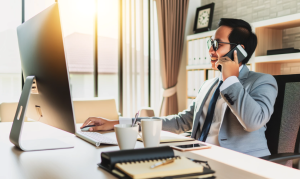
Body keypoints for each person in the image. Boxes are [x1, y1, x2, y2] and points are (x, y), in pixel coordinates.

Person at [81, 18, 278, 157]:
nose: (210, 49)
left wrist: (231, 80)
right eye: (211, 43)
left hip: (241, 162)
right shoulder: (209, 85)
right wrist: (117, 122)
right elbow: (180, 122)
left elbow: (253, 122)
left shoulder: (262, 81)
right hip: (200, 156)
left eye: (217, 44)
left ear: (239, 50)